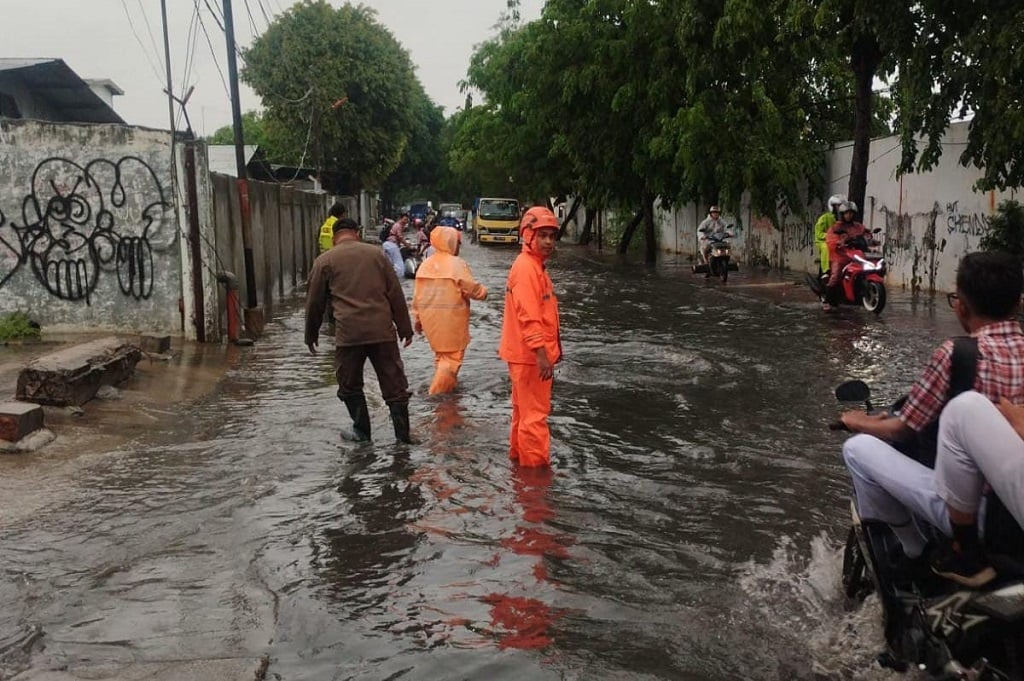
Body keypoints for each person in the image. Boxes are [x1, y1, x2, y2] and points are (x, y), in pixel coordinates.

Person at [840, 251, 1024, 587]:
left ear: (961, 306)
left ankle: (913, 552)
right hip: (1015, 512)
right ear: (1018, 303)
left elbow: (902, 428)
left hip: (981, 517)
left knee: (857, 449)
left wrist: (857, 421)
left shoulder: (958, 353)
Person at [304, 217, 415, 443]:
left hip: (349, 335)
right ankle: (403, 439)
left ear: (335, 237)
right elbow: (395, 293)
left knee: (349, 385)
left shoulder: (324, 261)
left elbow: (314, 302)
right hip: (382, 332)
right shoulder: (377, 255)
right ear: (357, 232)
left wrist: (311, 334)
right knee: (395, 386)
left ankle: (362, 433)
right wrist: (405, 328)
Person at [498, 206, 562, 468]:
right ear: (527, 235)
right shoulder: (527, 269)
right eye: (542, 235)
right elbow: (529, 316)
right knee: (534, 418)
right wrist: (541, 353)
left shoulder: (533, 267)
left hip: (526, 356)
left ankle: (520, 467)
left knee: (523, 414)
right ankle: (536, 481)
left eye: (551, 236)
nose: (548, 241)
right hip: (531, 358)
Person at [411, 226, 488, 395]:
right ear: (451, 242)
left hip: (430, 320)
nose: (459, 246)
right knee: (452, 359)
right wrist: (484, 292)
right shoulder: (457, 265)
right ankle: (437, 395)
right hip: (452, 321)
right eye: (458, 242)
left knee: (441, 356)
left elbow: (417, 297)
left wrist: (417, 320)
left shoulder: (425, 265)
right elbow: (471, 289)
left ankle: (449, 392)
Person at [823, 200, 869, 310]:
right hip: (840, 254)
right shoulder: (836, 227)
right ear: (842, 214)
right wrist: (838, 242)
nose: (849, 215)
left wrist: (871, 240)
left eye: (851, 213)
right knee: (836, 276)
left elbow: (866, 234)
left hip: (855, 254)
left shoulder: (858, 226)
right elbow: (830, 239)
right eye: (847, 213)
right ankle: (827, 301)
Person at [814, 194, 845, 275]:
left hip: (839, 241)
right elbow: (818, 233)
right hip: (824, 241)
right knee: (826, 248)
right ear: (832, 206)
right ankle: (826, 271)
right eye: (837, 206)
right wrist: (830, 236)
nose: (839, 208)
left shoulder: (844, 219)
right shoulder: (824, 218)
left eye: (841, 205)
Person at [697, 206, 727, 276]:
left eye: (717, 212)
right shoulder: (706, 222)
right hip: (708, 240)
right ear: (711, 213)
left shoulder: (721, 221)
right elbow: (699, 230)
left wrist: (730, 233)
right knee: (705, 249)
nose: (715, 214)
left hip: (718, 240)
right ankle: (706, 262)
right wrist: (702, 236)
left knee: (726, 246)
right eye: (714, 212)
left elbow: (726, 227)